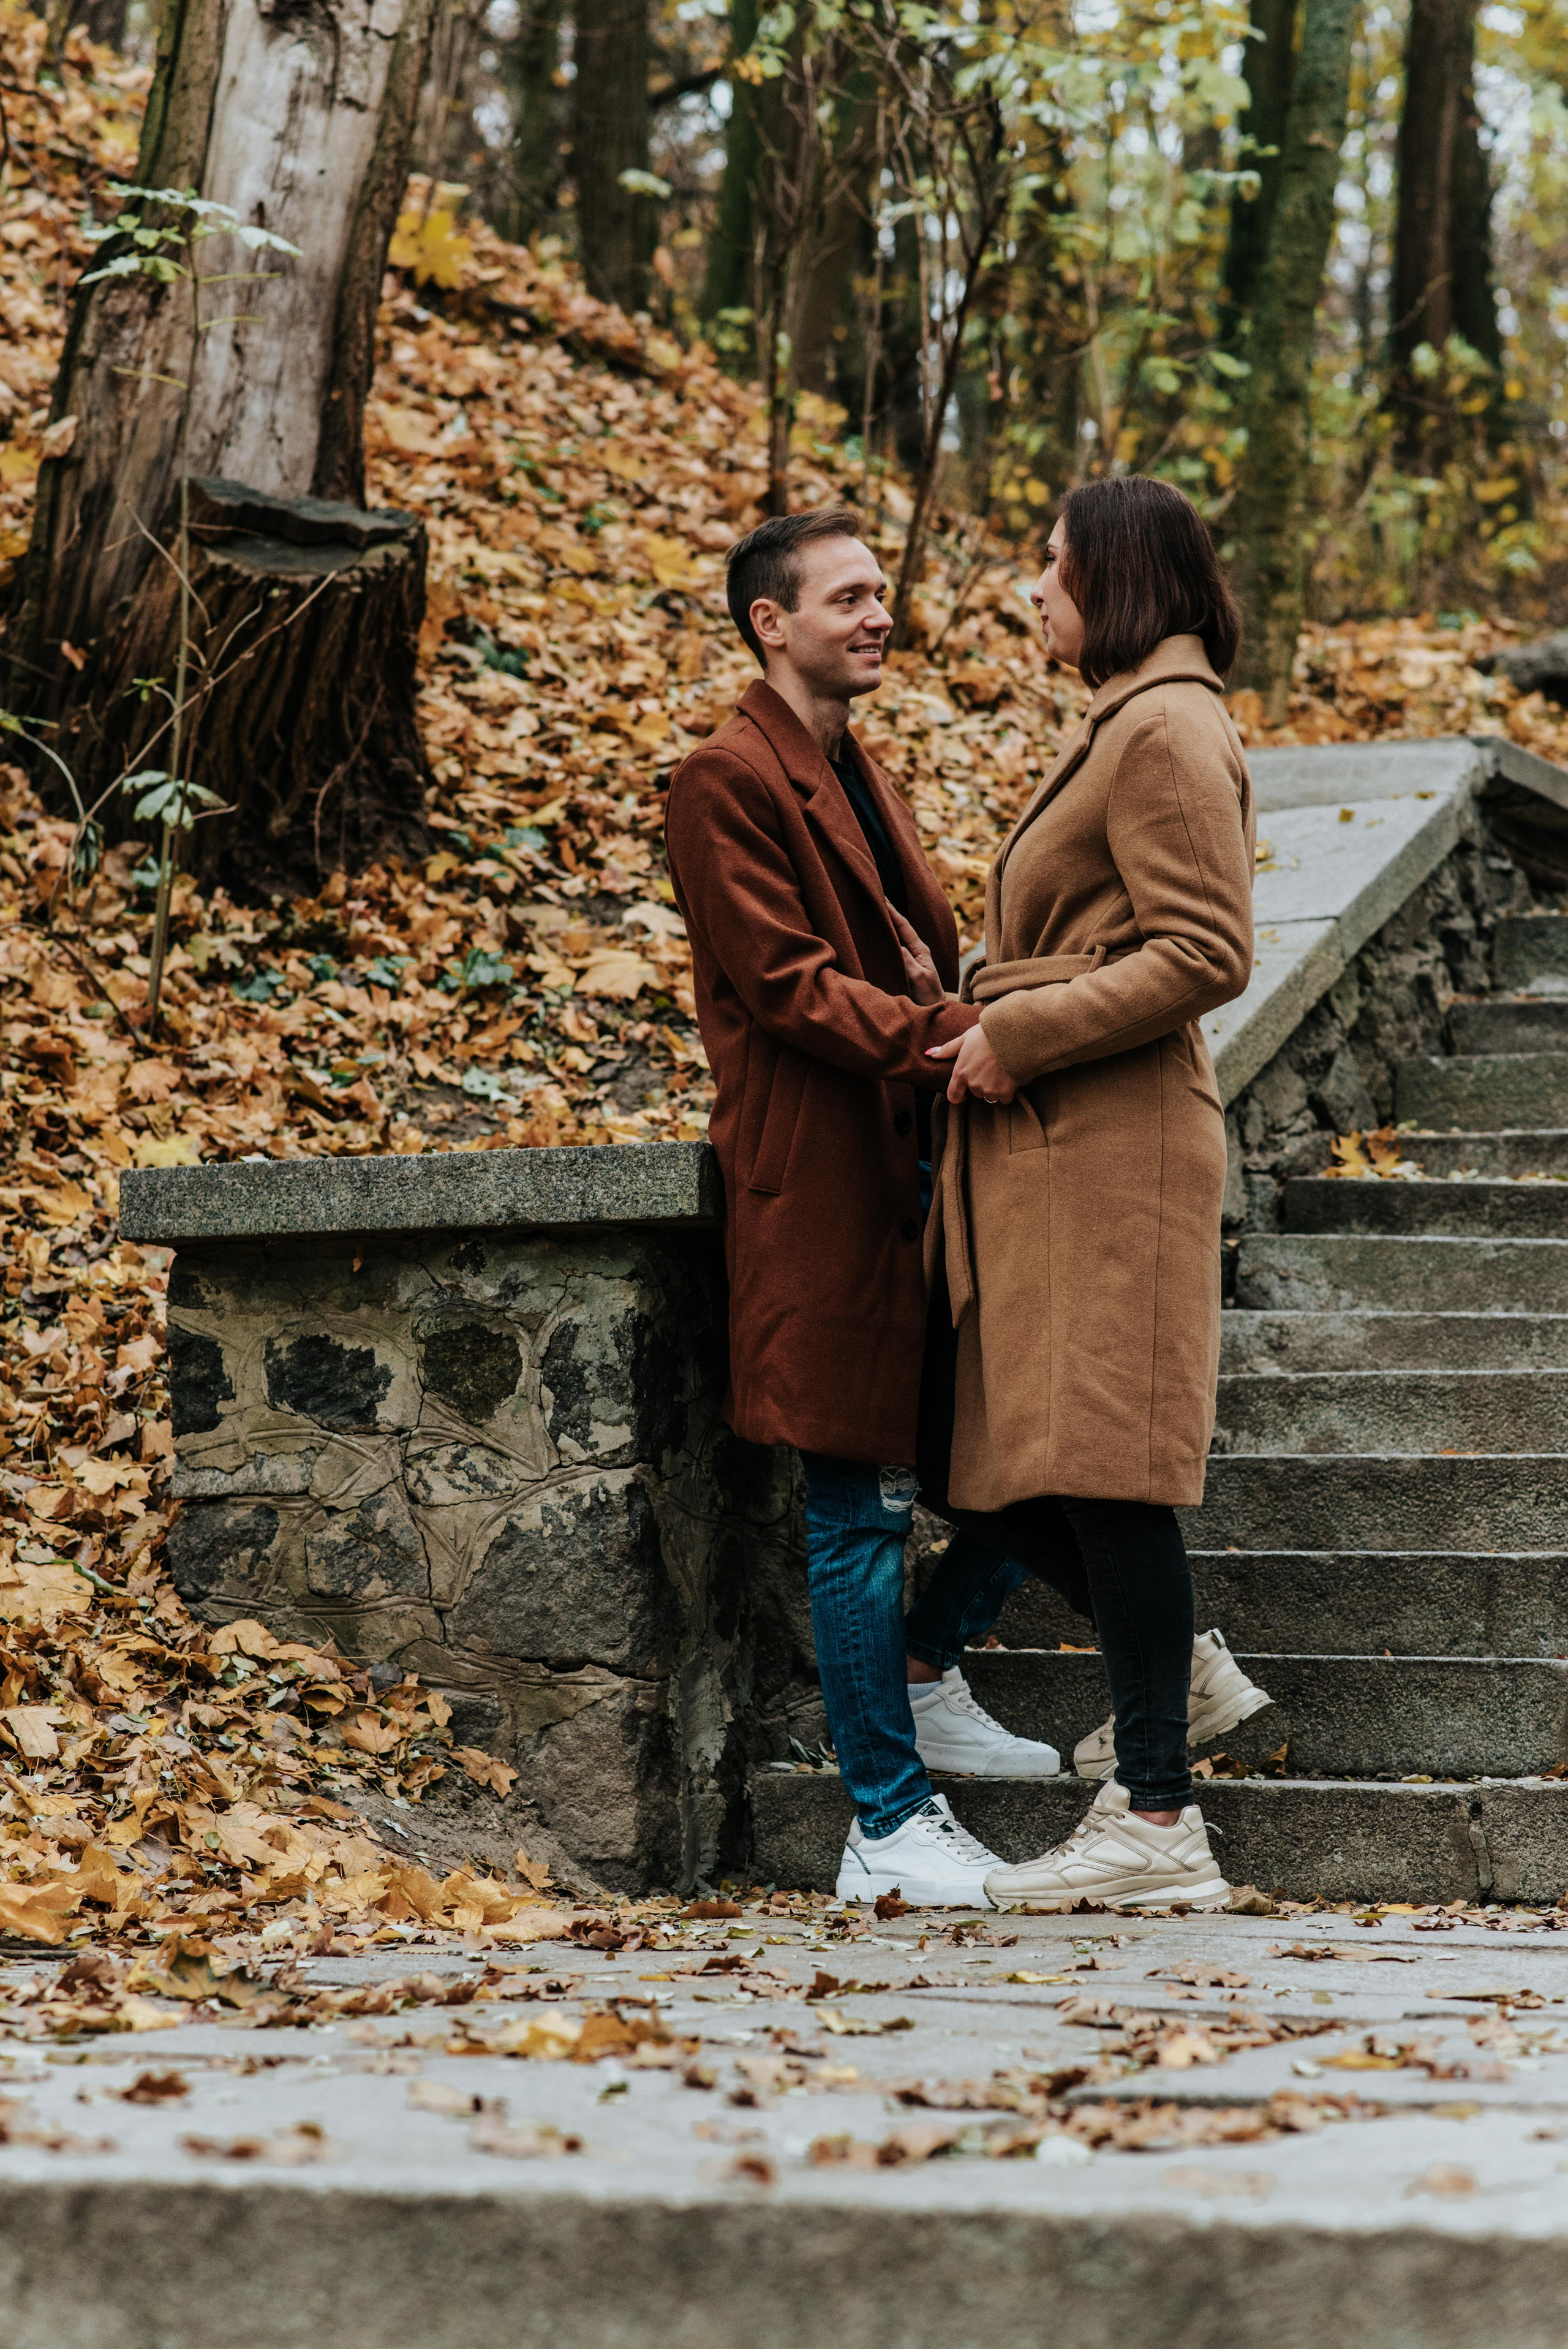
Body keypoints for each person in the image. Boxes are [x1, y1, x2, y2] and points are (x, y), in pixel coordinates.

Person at [664, 505, 1064, 1912]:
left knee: (1029, 1433)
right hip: (821, 1179)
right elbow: (782, 985)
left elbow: (903, 951)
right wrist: (949, 1036)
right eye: (846, 597)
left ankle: (927, 1661)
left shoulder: (852, 765)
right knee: (853, 1501)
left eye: (880, 591)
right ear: (769, 622)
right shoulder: (722, 779)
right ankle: (884, 1822)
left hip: (915, 1173)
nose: (876, 613)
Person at [918, 474, 1274, 1911]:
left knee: (1109, 1467)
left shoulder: (1167, 731)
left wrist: (1021, 1029)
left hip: (1111, 1141)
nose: (1031, 587)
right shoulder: (1128, 725)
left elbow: (1206, 952)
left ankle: (1155, 1821)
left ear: (1117, 575)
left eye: (1049, 563)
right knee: (1006, 1454)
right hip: (1058, 1148)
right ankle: (1170, 1675)